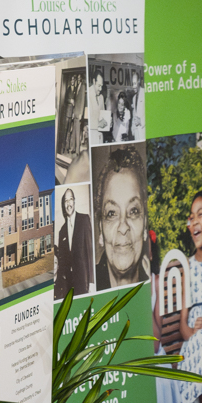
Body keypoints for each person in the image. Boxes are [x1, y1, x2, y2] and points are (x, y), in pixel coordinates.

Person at [94, 145, 148, 289]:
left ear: (145, 225)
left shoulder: (155, 286)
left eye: (133, 211)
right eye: (111, 213)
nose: (123, 227)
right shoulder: (84, 289)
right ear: (101, 230)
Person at [178, 191, 202, 403]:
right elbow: (183, 326)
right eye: (192, 217)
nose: (195, 221)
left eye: (201, 214)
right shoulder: (188, 268)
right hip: (194, 347)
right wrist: (195, 332)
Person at [55, 188, 92, 299]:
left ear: (74, 201)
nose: (68, 204)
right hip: (69, 287)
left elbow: (90, 252)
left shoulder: (84, 220)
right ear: (63, 205)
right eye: (66, 201)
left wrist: (91, 282)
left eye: (70, 199)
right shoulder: (62, 231)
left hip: (84, 284)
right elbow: (62, 262)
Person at [89, 70, 110, 145]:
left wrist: (108, 123)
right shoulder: (88, 95)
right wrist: (98, 124)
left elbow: (103, 117)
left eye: (102, 86)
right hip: (92, 137)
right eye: (99, 86)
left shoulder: (101, 97)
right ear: (94, 81)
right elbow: (87, 121)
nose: (100, 89)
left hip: (100, 137)